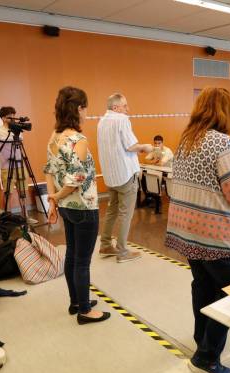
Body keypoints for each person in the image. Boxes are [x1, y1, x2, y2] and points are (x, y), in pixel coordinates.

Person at [165, 87, 230, 373]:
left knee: (204, 287)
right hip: (220, 237)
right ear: (223, 111)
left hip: (190, 233)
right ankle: (206, 357)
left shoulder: (186, 140)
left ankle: (202, 338)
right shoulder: (222, 143)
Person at [44, 87, 108, 324]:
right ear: (78, 109)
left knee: (72, 255)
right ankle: (84, 311)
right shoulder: (78, 140)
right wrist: (58, 196)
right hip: (84, 207)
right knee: (82, 261)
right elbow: (76, 178)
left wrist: (53, 200)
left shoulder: (54, 137)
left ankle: (76, 302)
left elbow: (49, 170)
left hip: (68, 209)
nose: (86, 112)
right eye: (85, 107)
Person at [97, 93, 154, 263]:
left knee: (112, 210)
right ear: (116, 107)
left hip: (110, 175)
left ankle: (106, 244)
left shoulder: (102, 122)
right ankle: (122, 251)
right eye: (124, 106)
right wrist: (146, 147)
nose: (127, 109)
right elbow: (130, 146)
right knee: (125, 214)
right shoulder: (121, 119)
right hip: (125, 175)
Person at [0, 106, 24, 196]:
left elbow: (21, 145)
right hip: (6, 165)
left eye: (14, 115)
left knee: (22, 192)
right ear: (3, 118)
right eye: (10, 116)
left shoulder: (18, 129)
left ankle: (25, 211)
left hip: (20, 164)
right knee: (8, 193)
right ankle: (8, 210)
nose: (13, 117)